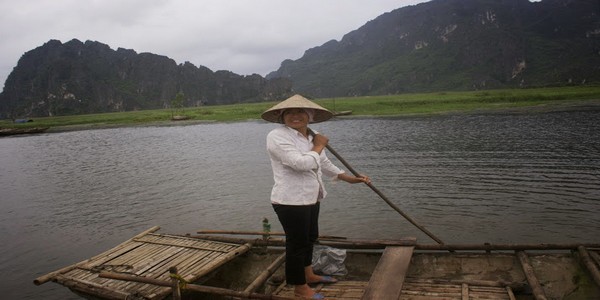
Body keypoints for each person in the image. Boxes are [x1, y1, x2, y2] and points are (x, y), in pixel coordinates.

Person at [262, 94, 370, 299]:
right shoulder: (277, 136)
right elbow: (300, 163)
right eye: (290, 112)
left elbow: (324, 163)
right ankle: (299, 288)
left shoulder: (312, 135)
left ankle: (309, 275)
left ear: (309, 115)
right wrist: (319, 145)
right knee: (296, 244)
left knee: (310, 238)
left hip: (311, 197)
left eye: (301, 112)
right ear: (282, 117)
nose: (296, 116)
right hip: (290, 201)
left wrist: (349, 178)